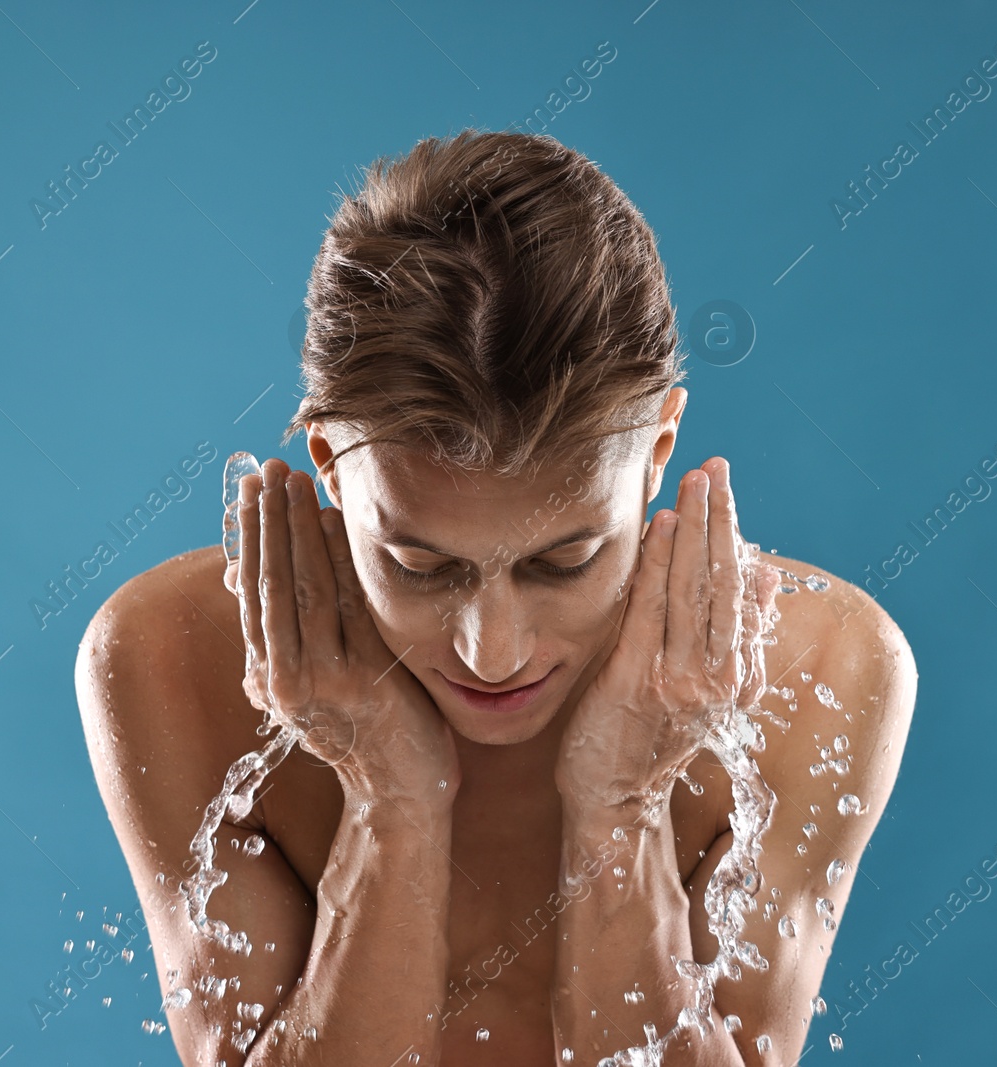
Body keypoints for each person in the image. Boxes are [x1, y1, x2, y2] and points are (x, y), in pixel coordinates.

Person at [75, 129, 917, 1067]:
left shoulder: (813, 667)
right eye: (420, 566)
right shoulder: (171, 655)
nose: (493, 650)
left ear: (658, 451)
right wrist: (391, 795)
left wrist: (623, 801)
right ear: (331, 468)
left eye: (565, 562)